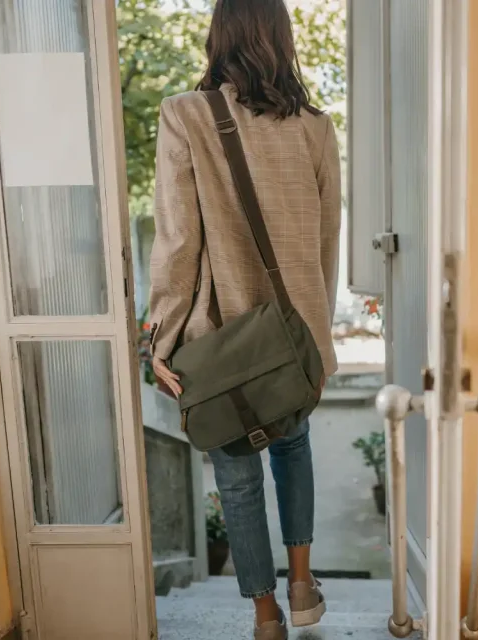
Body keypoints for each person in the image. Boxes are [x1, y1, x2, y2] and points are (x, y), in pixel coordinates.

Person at [145, 0, 341, 638]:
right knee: (293, 442)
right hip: (294, 328)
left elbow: (177, 241)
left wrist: (159, 339)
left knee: (236, 470)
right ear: (281, 40)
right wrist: (317, 330)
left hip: (221, 328)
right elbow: (326, 240)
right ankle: (304, 581)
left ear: (218, 37)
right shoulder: (314, 127)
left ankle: (265, 617)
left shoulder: (186, 116)